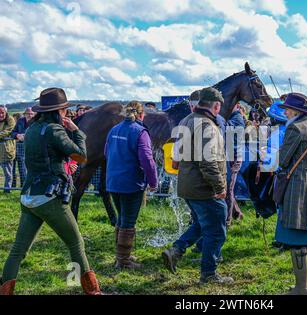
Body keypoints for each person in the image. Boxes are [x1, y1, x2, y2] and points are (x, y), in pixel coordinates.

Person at [0, 88, 101, 295]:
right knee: (76, 243)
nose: (67, 113)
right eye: (65, 110)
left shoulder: (32, 129)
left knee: (19, 250)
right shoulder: (55, 130)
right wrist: (77, 131)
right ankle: (93, 292)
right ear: (59, 111)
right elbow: (81, 157)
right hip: (50, 198)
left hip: (29, 196)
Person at [162, 87, 233, 284]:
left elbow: (177, 155)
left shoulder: (187, 120)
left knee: (202, 224)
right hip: (204, 188)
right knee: (217, 230)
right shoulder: (207, 126)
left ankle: (176, 250)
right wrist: (220, 188)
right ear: (216, 106)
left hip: (187, 186)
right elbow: (209, 162)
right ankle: (209, 274)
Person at [275, 92, 307, 295]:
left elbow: (284, 160)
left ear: (295, 111)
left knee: (295, 237)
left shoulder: (294, 128)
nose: (285, 111)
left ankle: (301, 289)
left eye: (287, 108)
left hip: (297, 183)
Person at [105, 101, 158, 269]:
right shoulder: (140, 132)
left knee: (122, 218)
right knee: (128, 221)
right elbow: (147, 159)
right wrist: (153, 181)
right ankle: (124, 261)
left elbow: (107, 152)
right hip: (131, 183)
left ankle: (121, 256)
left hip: (113, 181)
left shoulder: (114, 130)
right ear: (142, 115)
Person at [225, 102, 246, 225]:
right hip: (230, 156)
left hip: (234, 158)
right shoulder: (231, 116)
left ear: (237, 105)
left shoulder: (237, 118)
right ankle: (237, 213)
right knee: (228, 188)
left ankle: (227, 221)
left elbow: (226, 128)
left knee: (228, 189)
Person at [11, 107, 35, 187]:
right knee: (20, 168)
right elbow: (13, 132)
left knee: (26, 168)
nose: (30, 115)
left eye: (31, 113)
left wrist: (27, 136)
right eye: (28, 113)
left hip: (32, 148)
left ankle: (26, 186)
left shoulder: (36, 122)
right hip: (19, 148)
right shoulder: (20, 121)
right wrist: (17, 135)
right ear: (24, 114)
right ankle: (20, 186)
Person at [0, 105, 16, 193]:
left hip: (6, 151)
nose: (1, 114)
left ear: (6, 112)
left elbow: (8, 131)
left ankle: (7, 191)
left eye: (2, 112)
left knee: (8, 173)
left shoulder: (10, 120)